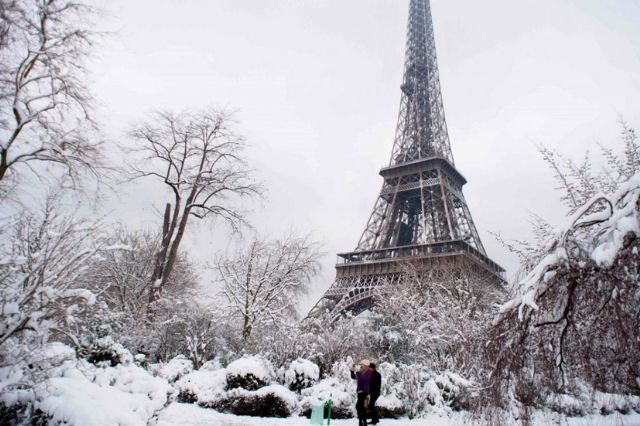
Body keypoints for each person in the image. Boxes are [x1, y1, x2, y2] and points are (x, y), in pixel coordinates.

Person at [351, 359, 372, 426]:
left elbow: (362, 379)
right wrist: (352, 370)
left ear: (366, 365)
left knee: (360, 407)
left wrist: (357, 372)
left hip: (364, 392)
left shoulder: (368, 372)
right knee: (360, 408)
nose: (361, 366)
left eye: (362, 365)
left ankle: (362, 422)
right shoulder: (361, 371)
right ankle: (362, 422)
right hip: (360, 392)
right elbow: (353, 377)